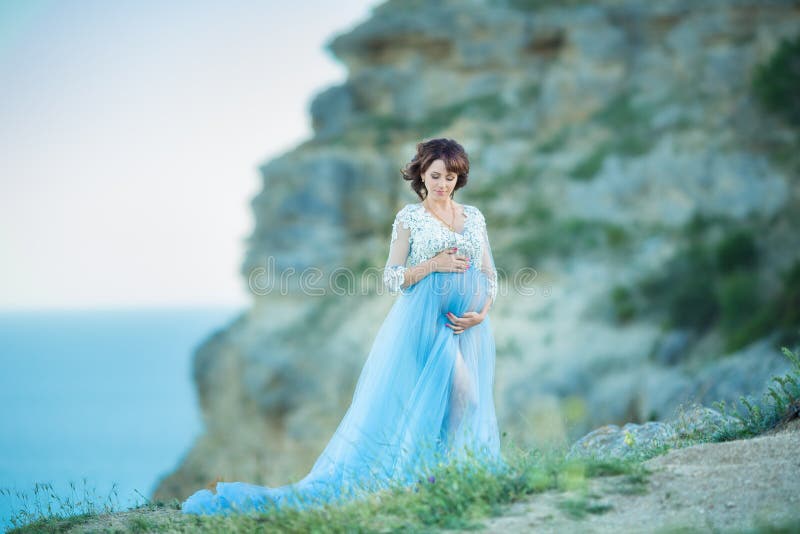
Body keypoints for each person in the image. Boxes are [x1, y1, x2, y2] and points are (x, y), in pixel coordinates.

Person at [181, 137, 502, 516]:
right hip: (425, 322)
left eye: (450, 176)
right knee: (464, 394)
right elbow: (392, 277)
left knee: (452, 402)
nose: (442, 184)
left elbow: (489, 274)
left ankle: (440, 476)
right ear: (421, 175)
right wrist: (432, 264)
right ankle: (432, 475)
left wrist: (481, 312)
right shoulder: (410, 219)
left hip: (467, 326)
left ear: (459, 177)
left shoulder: (473, 217)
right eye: (435, 175)